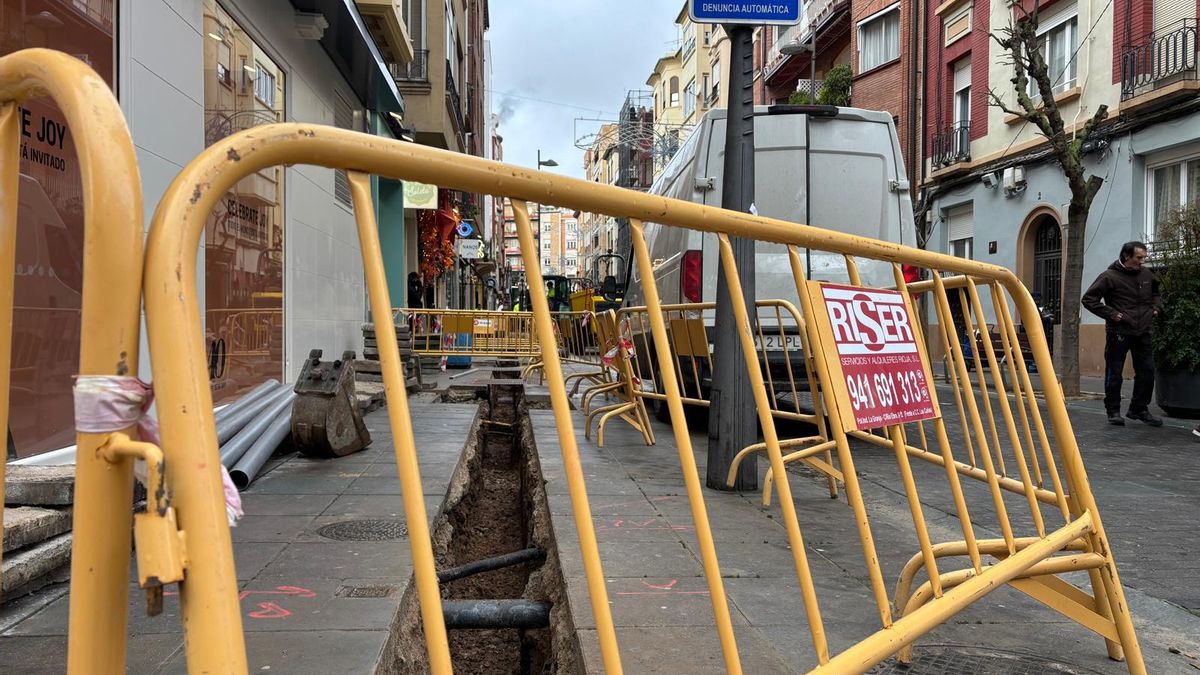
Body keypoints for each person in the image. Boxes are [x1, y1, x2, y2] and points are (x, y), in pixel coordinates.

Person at [1082, 241, 1163, 426]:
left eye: (1144, 257)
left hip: (1143, 330)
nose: (1142, 261)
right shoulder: (1109, 276)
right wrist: (1114, 315)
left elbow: (1156, 293)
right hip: (1119, 331)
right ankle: (1113, 411)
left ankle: (1139, 409)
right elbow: (1089, 299)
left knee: (1147, 372)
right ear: (1127, 256)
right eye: (1139, 258)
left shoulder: (1147, 275)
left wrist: (1156, 308)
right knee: (1115, 372)